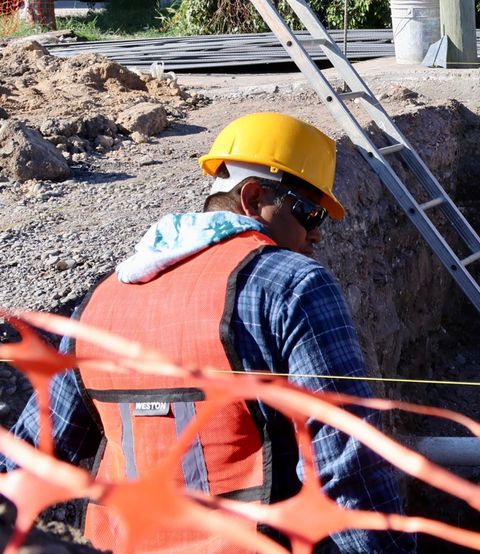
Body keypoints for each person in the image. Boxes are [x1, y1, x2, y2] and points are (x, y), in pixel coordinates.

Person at [2, 112, 413, 554]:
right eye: (309, 211)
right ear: (253, 197)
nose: (317, 234)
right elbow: (345, 461)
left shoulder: (103, 299)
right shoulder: (294, 283)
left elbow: (31, 456)